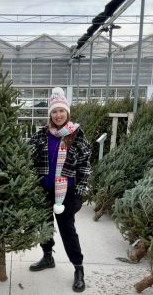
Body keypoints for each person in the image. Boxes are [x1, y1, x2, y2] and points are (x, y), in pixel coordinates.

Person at [29, 87, 91, 293]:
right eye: (54, 112)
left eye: (61, 111)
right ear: (50, 114)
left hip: (66, 193)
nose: (57, 115)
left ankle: (78, 268)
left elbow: (84, 166)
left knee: (68, 231)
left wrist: (80, 193)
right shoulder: (41, 135)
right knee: (44, 226)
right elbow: (27, 159)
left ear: (67, 112)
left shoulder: (77, 135)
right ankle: (47, 257)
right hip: (43, 190)